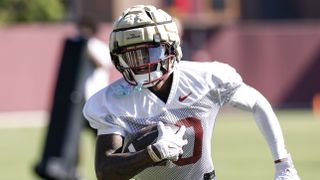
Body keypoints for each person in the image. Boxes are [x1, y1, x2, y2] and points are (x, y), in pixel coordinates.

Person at [83, 5, 300, 180]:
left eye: (149, 52)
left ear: (171, 47)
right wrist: (150, 155)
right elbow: (105, 171)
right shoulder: (113, 100)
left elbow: (257, 103)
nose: (142, 63)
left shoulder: (203, 78)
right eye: (133, 56)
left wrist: (283, 163)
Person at [34, 16, 111, 180]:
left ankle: (107, 168)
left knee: (101, 138)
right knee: (73, 141)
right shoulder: (75, 46)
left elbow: (102, 63)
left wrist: (86, 46)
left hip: (95, 101)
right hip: (77, 102)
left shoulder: (97, 47)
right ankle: (74, 171)